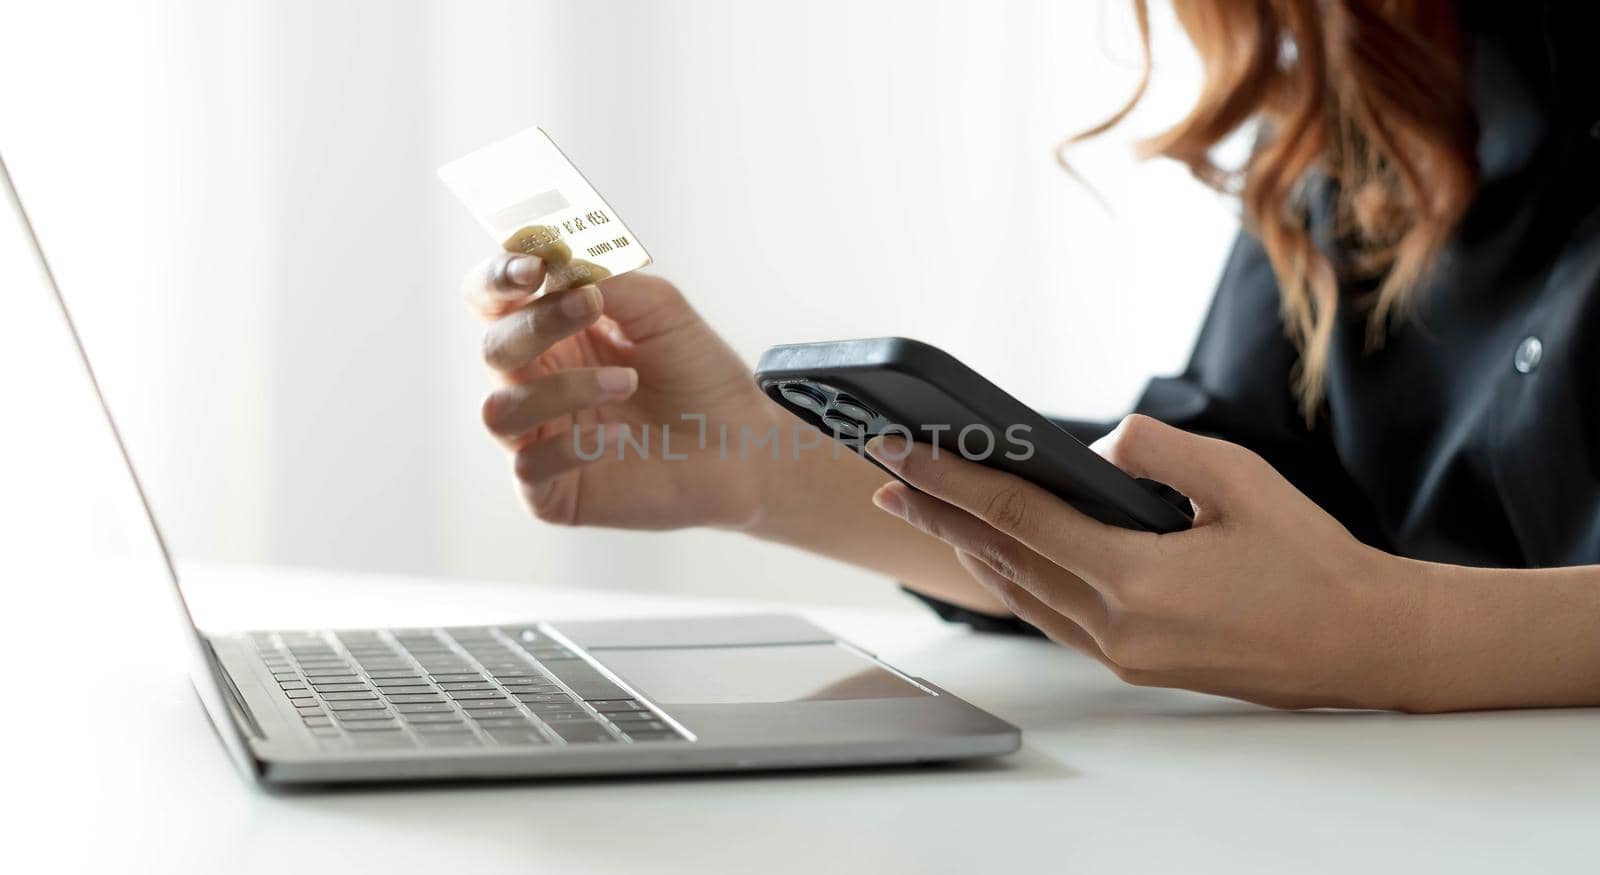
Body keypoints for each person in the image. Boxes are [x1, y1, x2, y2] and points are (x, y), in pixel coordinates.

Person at [459, 1, 1600, 712]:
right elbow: (1208, 516)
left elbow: (1331, 601)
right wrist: (755, 462)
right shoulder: (1376, 89)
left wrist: (1389, 635)